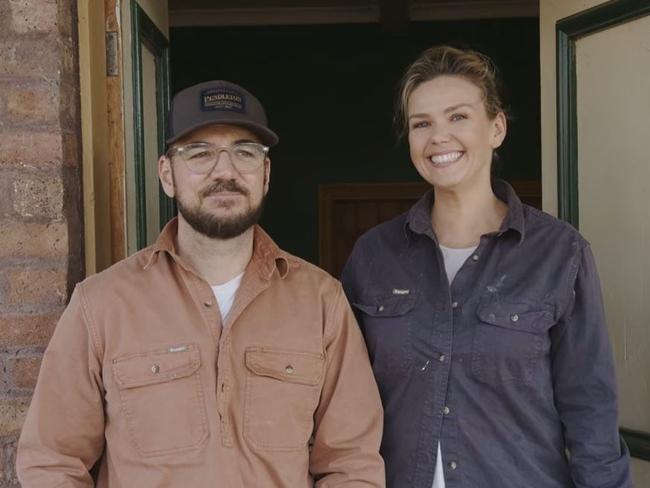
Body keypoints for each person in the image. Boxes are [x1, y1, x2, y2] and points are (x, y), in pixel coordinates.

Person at [17, 80, 385, 487]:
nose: (224, 171)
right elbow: (51, 463)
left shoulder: (321, 302)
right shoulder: (101, 304)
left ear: (265, 174)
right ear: (167, 174)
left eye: (244, 153)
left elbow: (352, 465)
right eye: (199, 153)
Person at [341, 46, 632, 488]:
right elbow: (340, 403)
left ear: (496, 128)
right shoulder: (373, 256)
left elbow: (591, 413)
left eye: (458, 117)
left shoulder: (559, 254)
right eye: (422, 124)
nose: (439, 136)